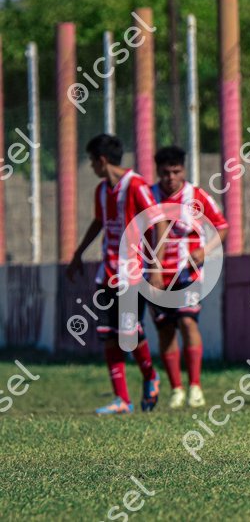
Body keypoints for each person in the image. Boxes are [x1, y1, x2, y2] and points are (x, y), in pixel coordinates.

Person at [66, 134, 166, 415]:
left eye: (91, 161)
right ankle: (122, 399)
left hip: (133, 273)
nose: (91, 167)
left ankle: (150, 376)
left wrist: (156, 267)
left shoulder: (136, 185)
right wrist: (78, 253)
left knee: (128, 332)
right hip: (107, 273)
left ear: (102, 160)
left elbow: (159, 222)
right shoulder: (102, 190)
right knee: (109, 335)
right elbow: (99, 222)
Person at [149, 146, 229, 408]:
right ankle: (176, 389)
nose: (171, 177)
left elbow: (222, 227)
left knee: (187, 321)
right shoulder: (149, 196)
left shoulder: (197, 196)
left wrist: (205, 251)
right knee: (165, 328)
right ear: (158, 172)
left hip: (188, 273)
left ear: (183, 170)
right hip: (157, 276)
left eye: (176, 171)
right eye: (165, 173)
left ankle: (195, 386)